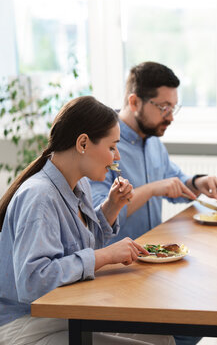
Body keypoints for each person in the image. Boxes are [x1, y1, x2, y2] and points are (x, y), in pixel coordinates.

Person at [0, 96, 174, 344]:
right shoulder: (39, 196)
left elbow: (79, 250)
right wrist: (106, 256)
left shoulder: (79, 184)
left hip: (66, 313)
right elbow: (34, 282)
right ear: (83, 143)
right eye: (112, 147)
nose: (117, 157)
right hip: (28, 325)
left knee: (162, 338)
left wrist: (111, 208)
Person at [90, 61, 217, 245]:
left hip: (153, 255)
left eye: (173, 107)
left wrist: (197, 182)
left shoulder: (153, 141)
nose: (170, 117)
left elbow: (173, 181)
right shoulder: (102, 145)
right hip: (119, 265)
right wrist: (151, 190)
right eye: (164, 107)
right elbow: (99, 219)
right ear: (134, 102)